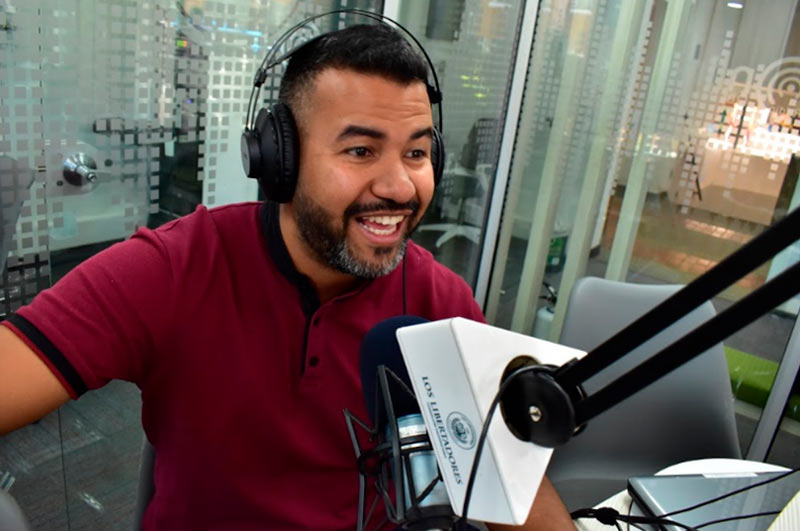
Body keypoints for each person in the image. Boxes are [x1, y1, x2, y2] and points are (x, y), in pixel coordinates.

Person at [0, 23, 575, 530]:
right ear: (280, 159)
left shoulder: (438, 298)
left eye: (417, 154)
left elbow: (505, 488)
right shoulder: (175, 268)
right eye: (360, 151)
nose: (400, 187)